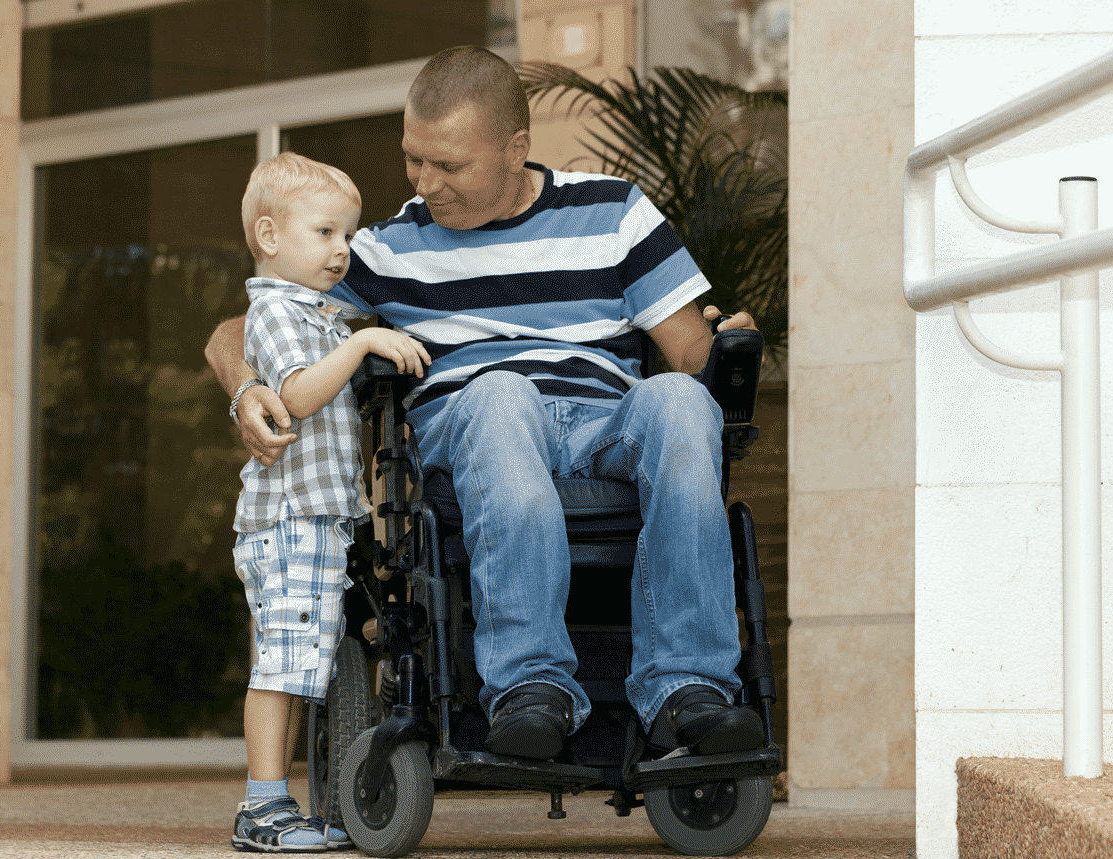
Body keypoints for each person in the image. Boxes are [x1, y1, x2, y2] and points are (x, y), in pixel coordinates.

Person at [206, 46, 763, 764]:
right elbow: (246, 323)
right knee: (500, 392)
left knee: (683, 400)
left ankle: (689, 688)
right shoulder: (386, 248)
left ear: (515, 149)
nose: (426, 184)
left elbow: (690, 351)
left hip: (603, 423)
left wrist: (727, 344)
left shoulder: (613, 212)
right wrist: (246, 385)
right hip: (478, 425)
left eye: (451, 166)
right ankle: (532, 687)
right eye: (415, 159)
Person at [228, 152, 430, 852]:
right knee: (279, 666)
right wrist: (365, 340)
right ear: (270, 236)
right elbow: (296, 395)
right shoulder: (278, 313)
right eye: (324, 233)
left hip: (311, 520)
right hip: (288, 522)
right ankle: (261, 807)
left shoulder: (311, 313)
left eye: (347, 235)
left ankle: (277, 802)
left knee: (296, 661)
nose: (342, 251)